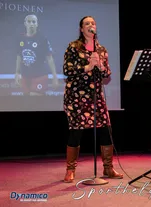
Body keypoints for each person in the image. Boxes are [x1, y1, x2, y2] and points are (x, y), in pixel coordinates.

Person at [62, 16, 123, 183]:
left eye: (93, 23)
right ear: (82, 29)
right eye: (87, 23)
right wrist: (87, 67)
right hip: (76, 96)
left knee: (105, 130)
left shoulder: (101, 50)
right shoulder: (73, 47)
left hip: (96, 96)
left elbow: (107, 74)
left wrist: (100, 66)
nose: (91, 25)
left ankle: (108, 168)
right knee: (76, 132)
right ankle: (70, 169)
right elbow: (67, 69)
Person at [15, 14, 59, 95]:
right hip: (25, 75)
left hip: (39, 75)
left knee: (35, 98)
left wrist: (54, 76)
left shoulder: (42, 39)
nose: (31, 24)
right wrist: (17, 73)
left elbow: (49, 58)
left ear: (37, 24)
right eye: (29, 21)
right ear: (25, 23)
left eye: (33, 22)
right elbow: (19, 56)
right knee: (26, 101)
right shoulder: (20, 39)